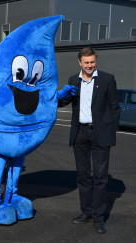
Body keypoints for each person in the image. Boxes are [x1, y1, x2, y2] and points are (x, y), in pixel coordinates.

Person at [58, 47, 120, 234]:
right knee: (83, 177)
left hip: (100, 134)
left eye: (92, 62)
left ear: (95, 61)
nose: (90, 65)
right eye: (86, 62)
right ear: (80, 63)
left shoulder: (107, 79)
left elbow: (114, 108)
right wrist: (61, 95)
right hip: (80, 134)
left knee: (100, 178)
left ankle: (99, 218)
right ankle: (86, 213)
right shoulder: (72, 81)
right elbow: (62, 103)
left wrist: (110, 132)